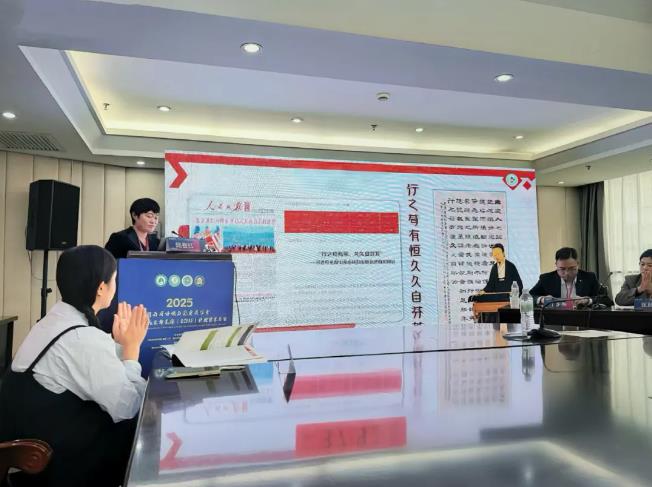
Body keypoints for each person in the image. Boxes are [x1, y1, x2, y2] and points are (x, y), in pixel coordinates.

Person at [0, 245, 149, 487]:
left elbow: (89, 365)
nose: (115, 286)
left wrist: (121, 345)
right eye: (113, 279)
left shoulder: (54, 320)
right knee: (136, 428)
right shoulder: (82, 338)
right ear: (101, 288)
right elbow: (128, 406)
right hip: (58, 465)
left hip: (30, 451)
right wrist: (132, 351)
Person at [530, 247, 601, 306]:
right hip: (554, 317)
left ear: (577, 264)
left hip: (582, 317)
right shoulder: (546, 279)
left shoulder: (589, 277)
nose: (567, 273)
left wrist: (587, 300)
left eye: (571, 268)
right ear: (556, 265)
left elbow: (603, 299)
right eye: (562, 269)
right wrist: (541, 299)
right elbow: (529, 297)